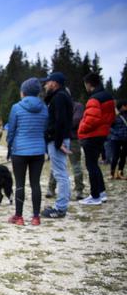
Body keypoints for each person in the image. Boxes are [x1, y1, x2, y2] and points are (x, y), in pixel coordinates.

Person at [6, 78, 49, 226]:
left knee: (19, 184)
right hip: (38, 150)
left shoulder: (16, 107)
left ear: (23, 92)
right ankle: (36, 217)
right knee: (35, 183)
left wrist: (9, 146)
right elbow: (44, 128)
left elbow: (11, 131)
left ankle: (19, 217)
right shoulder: (44, 107)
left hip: (20, 150)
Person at [78, 73, 116, 205]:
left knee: (91, 165)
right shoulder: (108, 97)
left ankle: (95, 196)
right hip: (103, 134)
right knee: (95, 164)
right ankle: (101, 192)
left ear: (89, 84)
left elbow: (91, 120)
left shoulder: (94, 98)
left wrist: (81, 129)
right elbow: (111, 117)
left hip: (92, 135)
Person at [40, 72, 73, 218]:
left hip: (57, 140)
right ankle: (62, 204)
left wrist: (58, 142)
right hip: (58, 139)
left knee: (60, 174)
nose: (45, 85)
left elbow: (60, 121)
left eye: (47, 82)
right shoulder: (62, 96)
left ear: (54, 83)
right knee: (60, 172)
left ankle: (60, 208)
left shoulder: (59, 97)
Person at [47, 100, 85, 200]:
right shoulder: (55, 105)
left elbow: (76, 120)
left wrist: (59, 124)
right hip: (58, 139)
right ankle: (51, 188)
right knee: (55, 165)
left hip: (72, 139)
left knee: (76, 166)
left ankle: (79, 190)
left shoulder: (78, 106)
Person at [109, 100, 127, 179]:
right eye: (125, 105)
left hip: (125, 138)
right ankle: (112, 173)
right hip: (115, 139)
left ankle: (120, 172)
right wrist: (116, 133)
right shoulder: (113, 114)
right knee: (115, 156)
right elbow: (109, 126)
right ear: (121, 106)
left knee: (123, 156)